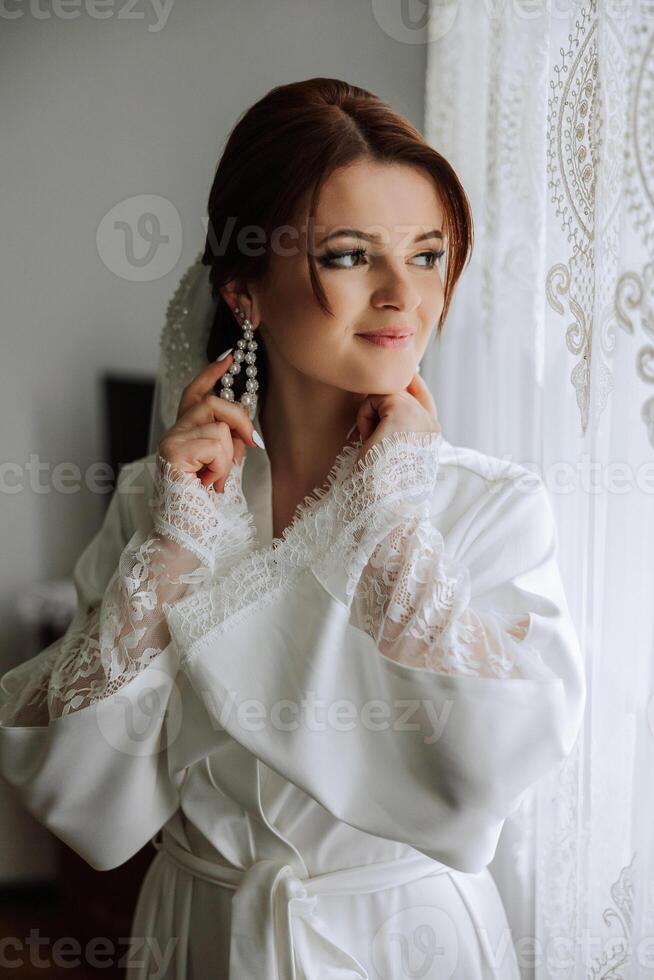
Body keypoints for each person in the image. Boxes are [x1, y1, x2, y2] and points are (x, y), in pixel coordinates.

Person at [0, 77, 585, 979]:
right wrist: (174, 547)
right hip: (202, 938)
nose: (403, 294)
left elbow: (488, 776)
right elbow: (76, 791)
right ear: (245, 290)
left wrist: (389, 522)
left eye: (428, 254)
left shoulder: (489, 507)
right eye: (352, 256)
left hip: (407, 943)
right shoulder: (165, 504)